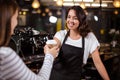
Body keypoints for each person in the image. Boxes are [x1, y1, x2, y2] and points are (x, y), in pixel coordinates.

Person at [0, 0, 59, 80]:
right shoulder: (5, 54)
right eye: (16, 17)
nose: (16, 23)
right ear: (7, 20)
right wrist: (50, 56)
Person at [47, 6, 110, 80]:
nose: (71, 20)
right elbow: (54, 45)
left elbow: (98, 63)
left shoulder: (89, 37)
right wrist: (48, 49)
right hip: (55, 77)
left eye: (75, 18)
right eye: (69, 17)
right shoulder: (61, 34)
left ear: (81, 20)